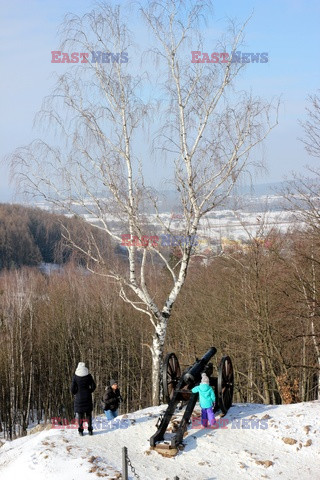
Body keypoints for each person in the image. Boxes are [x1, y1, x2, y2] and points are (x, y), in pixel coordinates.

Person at [71, 362, 96, 436]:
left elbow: (72, 389)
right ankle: (90, 430)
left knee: (80, 415)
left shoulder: (75, 376)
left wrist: (76, 392)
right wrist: (89, 391)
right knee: (88, 414)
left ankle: (81, 431)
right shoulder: (88, 376)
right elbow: (93, 386)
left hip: (79, 397)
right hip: (87, 396)